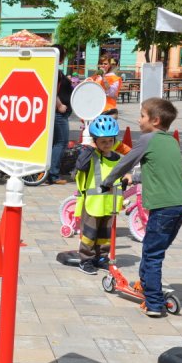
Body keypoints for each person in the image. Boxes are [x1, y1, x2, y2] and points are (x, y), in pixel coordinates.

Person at [101, 97, 182, 318]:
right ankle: (146, 284)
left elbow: (125, 163)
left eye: (142, 116)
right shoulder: (172, 142)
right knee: (154, 250)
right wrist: (135, 178)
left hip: (163, 208)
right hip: (180, 205)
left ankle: (154, 303)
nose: (139, 120)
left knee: (151, 255)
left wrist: (107, 182)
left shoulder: (147, 139)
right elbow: (159, 170)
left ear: (155, 120)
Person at [75, 115, 123, 275]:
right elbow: (80, 166)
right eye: (103, 141)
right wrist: (89, 149)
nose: (107, 144)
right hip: (92, 203)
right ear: (95, 141)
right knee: (89, 234)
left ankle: (101, 257)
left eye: (110, 140)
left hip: (109, 203)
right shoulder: (90, 156)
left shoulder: (117, 158)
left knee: (105, 234)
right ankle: (86, 260)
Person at [49, 44, 73, 185]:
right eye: (63, 55)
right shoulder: (53, 71)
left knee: (56, 142)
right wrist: (59, 105)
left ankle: (51, 172)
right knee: (61, 142)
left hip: (59, 113)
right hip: (58, 113)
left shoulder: (54, 70)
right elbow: (52, 90)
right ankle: (53, 174)